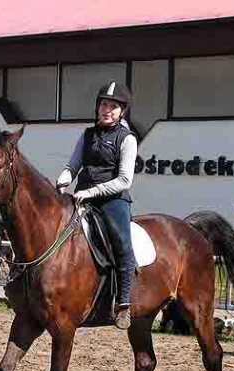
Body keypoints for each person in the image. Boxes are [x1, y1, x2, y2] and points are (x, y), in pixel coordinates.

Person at [56, 81, 138, 330]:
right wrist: (64, 178)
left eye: (113, 106)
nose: (107, 109)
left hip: (113, 200)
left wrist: (91, 191)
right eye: (104, 104)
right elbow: (73, 166)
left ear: (122, 111)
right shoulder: (87, 134)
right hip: (82, 198)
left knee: (122, 242)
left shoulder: (127, 139)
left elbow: (124, 179)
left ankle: (123, 304)